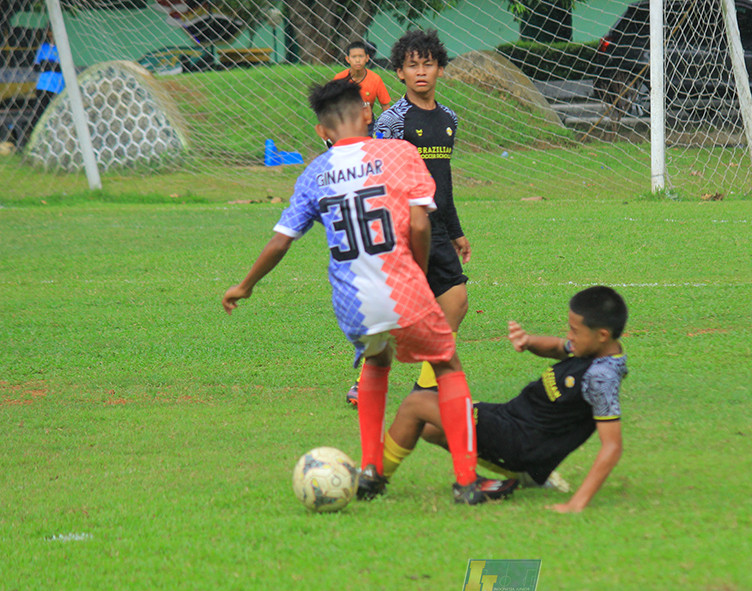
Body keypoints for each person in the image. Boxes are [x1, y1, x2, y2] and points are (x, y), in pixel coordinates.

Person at [221, 79, 515, 505]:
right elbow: (418, 225)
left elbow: (281, 240)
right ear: (366, 114)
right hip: (402, 286)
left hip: (352, 301)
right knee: (447, 365)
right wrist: (415, 269)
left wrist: (244, 286)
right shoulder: (400, 153)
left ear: (322, 132)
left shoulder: (314, 174)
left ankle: (372, 471)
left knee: (377, 363)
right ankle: (466, 482)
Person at [380, 286, 629, 513]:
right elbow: (558, 347)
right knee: (432, 428)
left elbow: (612, 446)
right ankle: (523, 476)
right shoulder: (592, 347)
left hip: (520, 441)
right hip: (512, 419)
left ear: (603, 335)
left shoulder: (601, 377)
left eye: (575, 331)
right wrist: (529, 342)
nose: (569, 335)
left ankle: (372, 480)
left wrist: (576, 503)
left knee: (419, 403)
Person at [343, 29, 467, 406]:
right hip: (401, 226)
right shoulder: (392, 121)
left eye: (428, 64)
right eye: (412, 66)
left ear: (440, 70)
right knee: (399, 309)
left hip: (438, 226)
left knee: (455, 300)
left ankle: (427, 381)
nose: (421, 72)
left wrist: (457, 231)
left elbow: (442, 184)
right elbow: (378, 174)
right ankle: (365, 382)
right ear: (399, 73)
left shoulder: (449, 120)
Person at [331, 40, 391, 136]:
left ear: (367, 58)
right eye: (354, 57)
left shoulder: (375, 79)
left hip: (368, 125)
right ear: (348, 59)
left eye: (361, 56)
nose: (358, 60)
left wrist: (387, 128)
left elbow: (385, 106)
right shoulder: (339, 79)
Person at [30, 29, 64, 135]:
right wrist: (52, 65)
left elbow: (61, 68)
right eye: (50, 31)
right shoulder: (43, 48)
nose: (51, 34)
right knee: (39, 114)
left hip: (57, 87)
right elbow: (36, 67)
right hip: (42, 85)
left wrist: (46, 64)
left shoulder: (62, 48)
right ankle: (36, 136)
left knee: (55, 114)